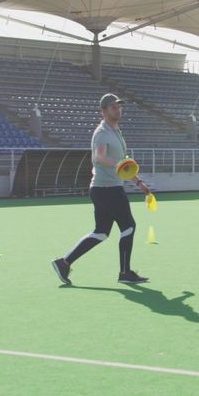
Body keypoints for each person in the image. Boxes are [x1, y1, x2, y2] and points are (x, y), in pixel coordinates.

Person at [52, 93, 152, 285]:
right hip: (108, 189)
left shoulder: (116, 132)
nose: (118, 110)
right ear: (104, 111)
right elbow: (99, 157)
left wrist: (139, 183)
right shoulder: (102, 132)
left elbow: (124, 166)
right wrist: (117, 165)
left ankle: (64, 263)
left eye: (119, 107)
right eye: (114, 107)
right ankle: (125, 273)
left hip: (104, 188)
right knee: (129, 226)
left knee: (101, 232)